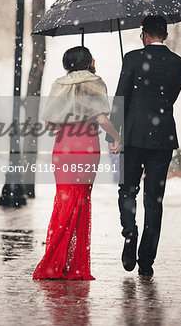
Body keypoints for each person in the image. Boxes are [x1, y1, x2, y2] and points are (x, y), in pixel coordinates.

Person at [106, 15, 181, 277]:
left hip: (132, 134)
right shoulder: (179, 64)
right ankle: (147, 260)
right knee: (154, 200)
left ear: (144, 33)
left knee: (127, 189)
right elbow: (169, 98)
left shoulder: (131, 59)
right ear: (166, 34)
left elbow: (121, 99)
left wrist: (113, 136)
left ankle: (130, 232)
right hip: (162, 137)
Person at [32, 46, 122, 280]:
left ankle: (54, 260)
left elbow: (50, 125)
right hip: (86, 147)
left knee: (63, 201)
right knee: (80, 201)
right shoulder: (96, 82)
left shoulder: (58, 84)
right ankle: (74, 264)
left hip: (63, 148)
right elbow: (102, 118)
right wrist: (117, 136)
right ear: (88, 61)